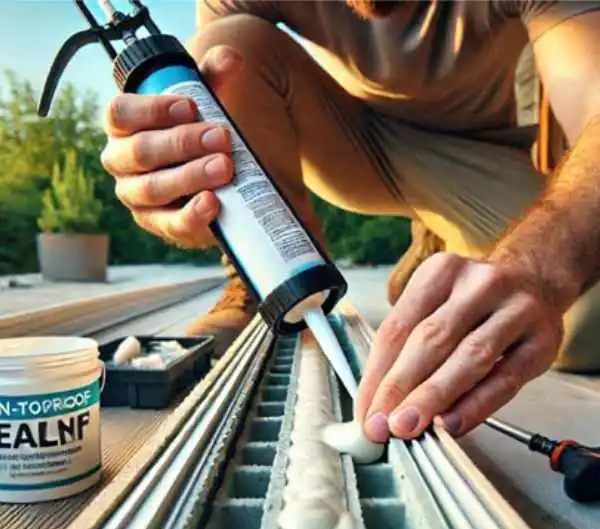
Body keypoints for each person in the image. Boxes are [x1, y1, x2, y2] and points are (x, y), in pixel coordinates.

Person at [100, 0, 600, 445]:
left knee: (580, 330)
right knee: (229, 52)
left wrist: (536, 267)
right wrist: (188, 189)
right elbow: (222, 105)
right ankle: (258, 289)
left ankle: (451, 240)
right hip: (365, 144)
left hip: (493, 166)